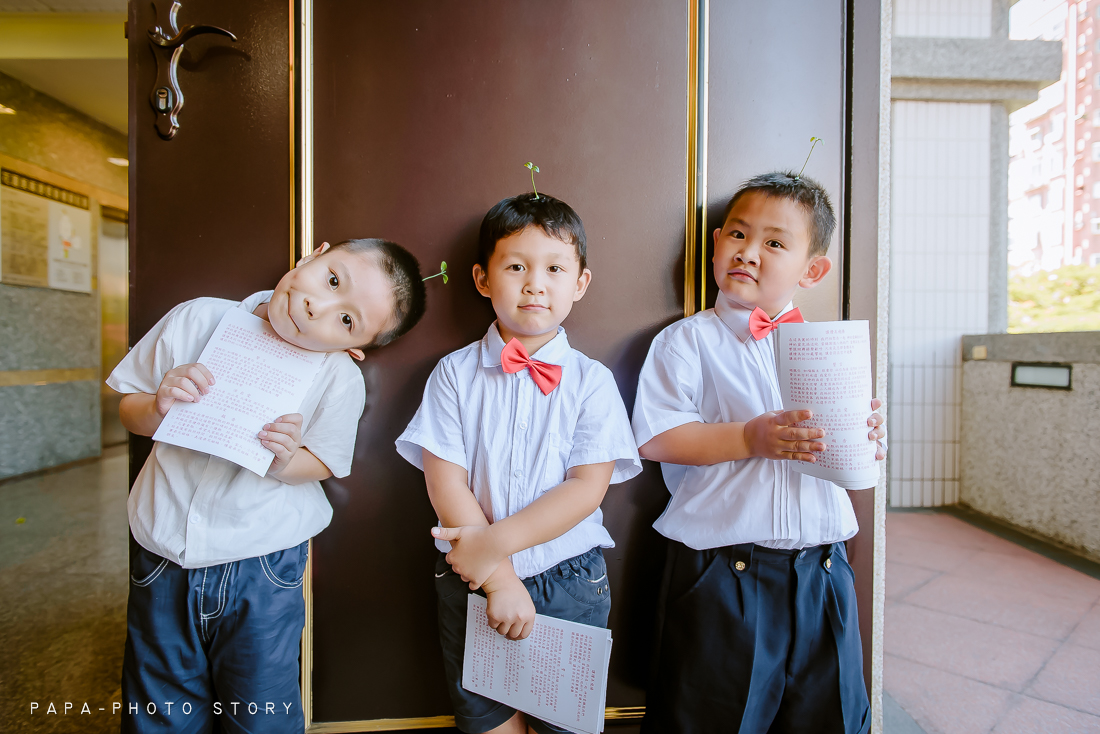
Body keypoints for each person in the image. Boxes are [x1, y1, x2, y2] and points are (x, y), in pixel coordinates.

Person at [107, 239, 426, 733]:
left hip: (263, 561)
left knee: (261, 706)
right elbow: (128, 406)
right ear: (311, 256)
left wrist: (283, 459)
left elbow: (323, 461)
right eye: (332, 280)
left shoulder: (338, 376)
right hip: (163, 551)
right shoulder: (198, 319)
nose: (318, 307)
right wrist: (158, 405)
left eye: (346, 321)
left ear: (354, 347)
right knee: (158, 706)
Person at [632, 172, 887, 734]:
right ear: (717, 242)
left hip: (823, 571)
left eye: (774, 243)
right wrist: (751, 437)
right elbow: (656, 437)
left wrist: (864, 434)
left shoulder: (829, 350)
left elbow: (847, 459)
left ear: (811, 269)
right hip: (725, 572)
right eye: (739, 236)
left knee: (834, 720)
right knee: (712, 720)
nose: (749, 252)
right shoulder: (688, 341)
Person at [396, 193, 641, 734]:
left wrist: (496, 545)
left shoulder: (591, 381)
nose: (535, 283)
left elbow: (587, 488)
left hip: (569, 578)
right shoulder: (454, 374)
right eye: (516, 267)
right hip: (473, 575)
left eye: (555, 268)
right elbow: (445, 483)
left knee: (563, 725)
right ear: (483, 279)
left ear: (579, 283)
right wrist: (497, 576)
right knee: (488, 723)